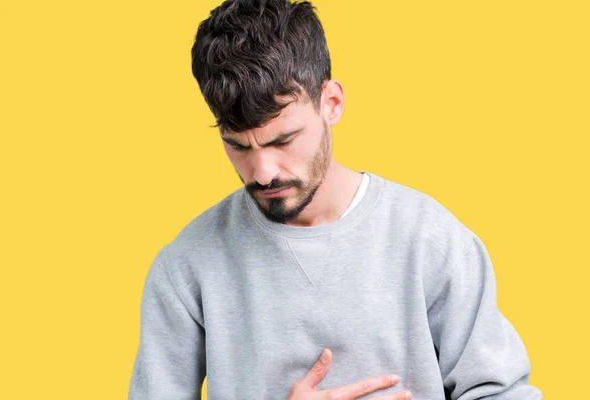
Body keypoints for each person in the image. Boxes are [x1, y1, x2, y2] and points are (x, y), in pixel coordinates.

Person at [128, 0, 543, 399]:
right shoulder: (187, 267)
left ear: (332, 103)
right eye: (238, 146)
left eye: (283, 140)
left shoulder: (431, 241)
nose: (263, 172)